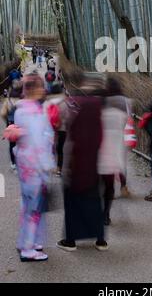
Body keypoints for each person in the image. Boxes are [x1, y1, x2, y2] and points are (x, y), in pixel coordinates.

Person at [57, 74, 108, 252]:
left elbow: (59, 123)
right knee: (94, 201)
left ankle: (70, 240)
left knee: (72, 202)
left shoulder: (72, 104)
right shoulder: (99, 106)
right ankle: (101, 240)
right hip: (93, 160)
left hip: (74, 160)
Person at [8, 74, 55, 262]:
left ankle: (27, 241)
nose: (43, 90)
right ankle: (28, 248)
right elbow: (39, 141)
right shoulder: (35, 112)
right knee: (34, 208)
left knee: (27, 205)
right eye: (41, 87)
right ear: (33, 89)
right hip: (35, 165)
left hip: (24, 162)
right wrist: (47, 164)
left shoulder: (20, 109)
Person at [97, 77, 132, 226]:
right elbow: (127, 119)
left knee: (99, 183)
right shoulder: (125, 101)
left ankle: (100, 211)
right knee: (110, 182)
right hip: (117, 143)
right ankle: (106, 215)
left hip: (100, 147)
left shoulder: (100, 105)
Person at [1, 81, 23, 170]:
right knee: (21, 143)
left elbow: (2, 113)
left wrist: (7, 120)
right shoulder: (22, 102)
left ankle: (13, 163)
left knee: (12, 144)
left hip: (10, 124)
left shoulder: (8, 101)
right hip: (20, 125)